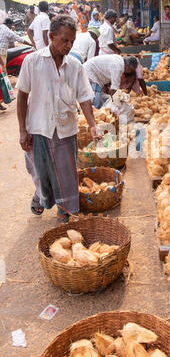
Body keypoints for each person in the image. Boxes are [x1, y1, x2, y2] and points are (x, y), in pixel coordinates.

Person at [16, 15, 98, 223]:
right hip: (38, 128)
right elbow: (22, 95)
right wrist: (22, 130)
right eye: (64, 40)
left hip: (65, 128)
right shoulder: (32, 61)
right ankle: (40, 196)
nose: (69, 46)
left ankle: (65, 212)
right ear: (51, 36)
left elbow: (84, 98)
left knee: (67, 175)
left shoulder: (75, 66)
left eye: (72, 41)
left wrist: (93, 124)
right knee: (41, 173)